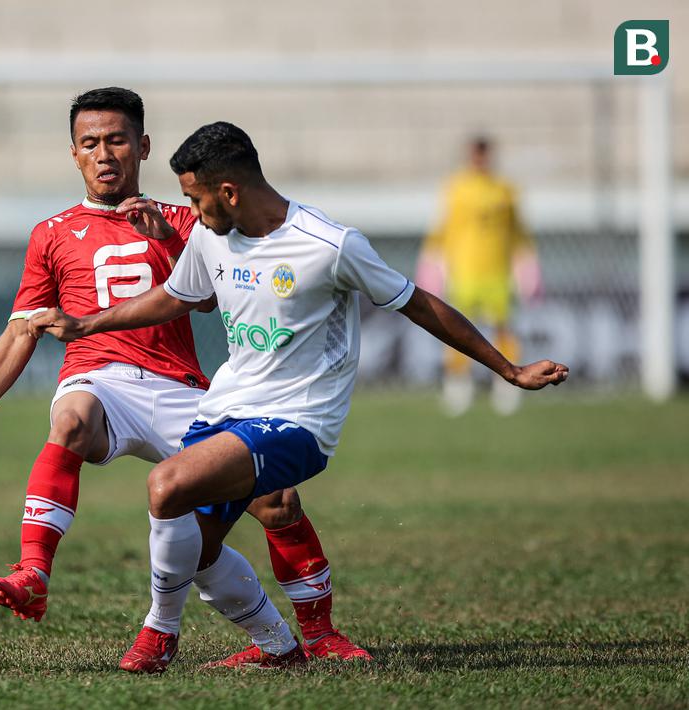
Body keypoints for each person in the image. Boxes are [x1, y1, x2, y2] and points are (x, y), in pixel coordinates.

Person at [29, 121, 569, 673]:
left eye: (195, 198)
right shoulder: (210, 235)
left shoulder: (329, 245)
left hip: (299, 422)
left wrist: (509, 369)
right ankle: (283, 647)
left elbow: (418, 303)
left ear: (229, 192)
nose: (190, 210)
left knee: (166, 486)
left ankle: (159, 634)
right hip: (225, 408)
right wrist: (88, 324)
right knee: (200, 550)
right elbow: (173, 297)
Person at [0, 87, 369, 661]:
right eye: (89, 143)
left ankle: (309, 637)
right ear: (73, 153)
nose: (104, 153)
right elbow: (20, 332)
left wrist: (167, 237)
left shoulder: (193, 216)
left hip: (180, 386)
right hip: (99, 379)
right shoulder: (52, 233)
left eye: (116, 140)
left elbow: (215, 297)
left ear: (143, 146)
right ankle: (33, 571)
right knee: (71, 419)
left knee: (276, 504)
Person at [418, 136, 542, 416]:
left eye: (484, 155)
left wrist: (527, 264)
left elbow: (519, 232)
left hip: (497, 275)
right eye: (476, 155)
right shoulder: (456, 189)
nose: (480, 160)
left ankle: (508, 383)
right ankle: (459, 384)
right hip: (464, 274)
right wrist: (430, 262)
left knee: (503, 329)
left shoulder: (506, 191)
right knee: (457, 331)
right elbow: (441, 229)